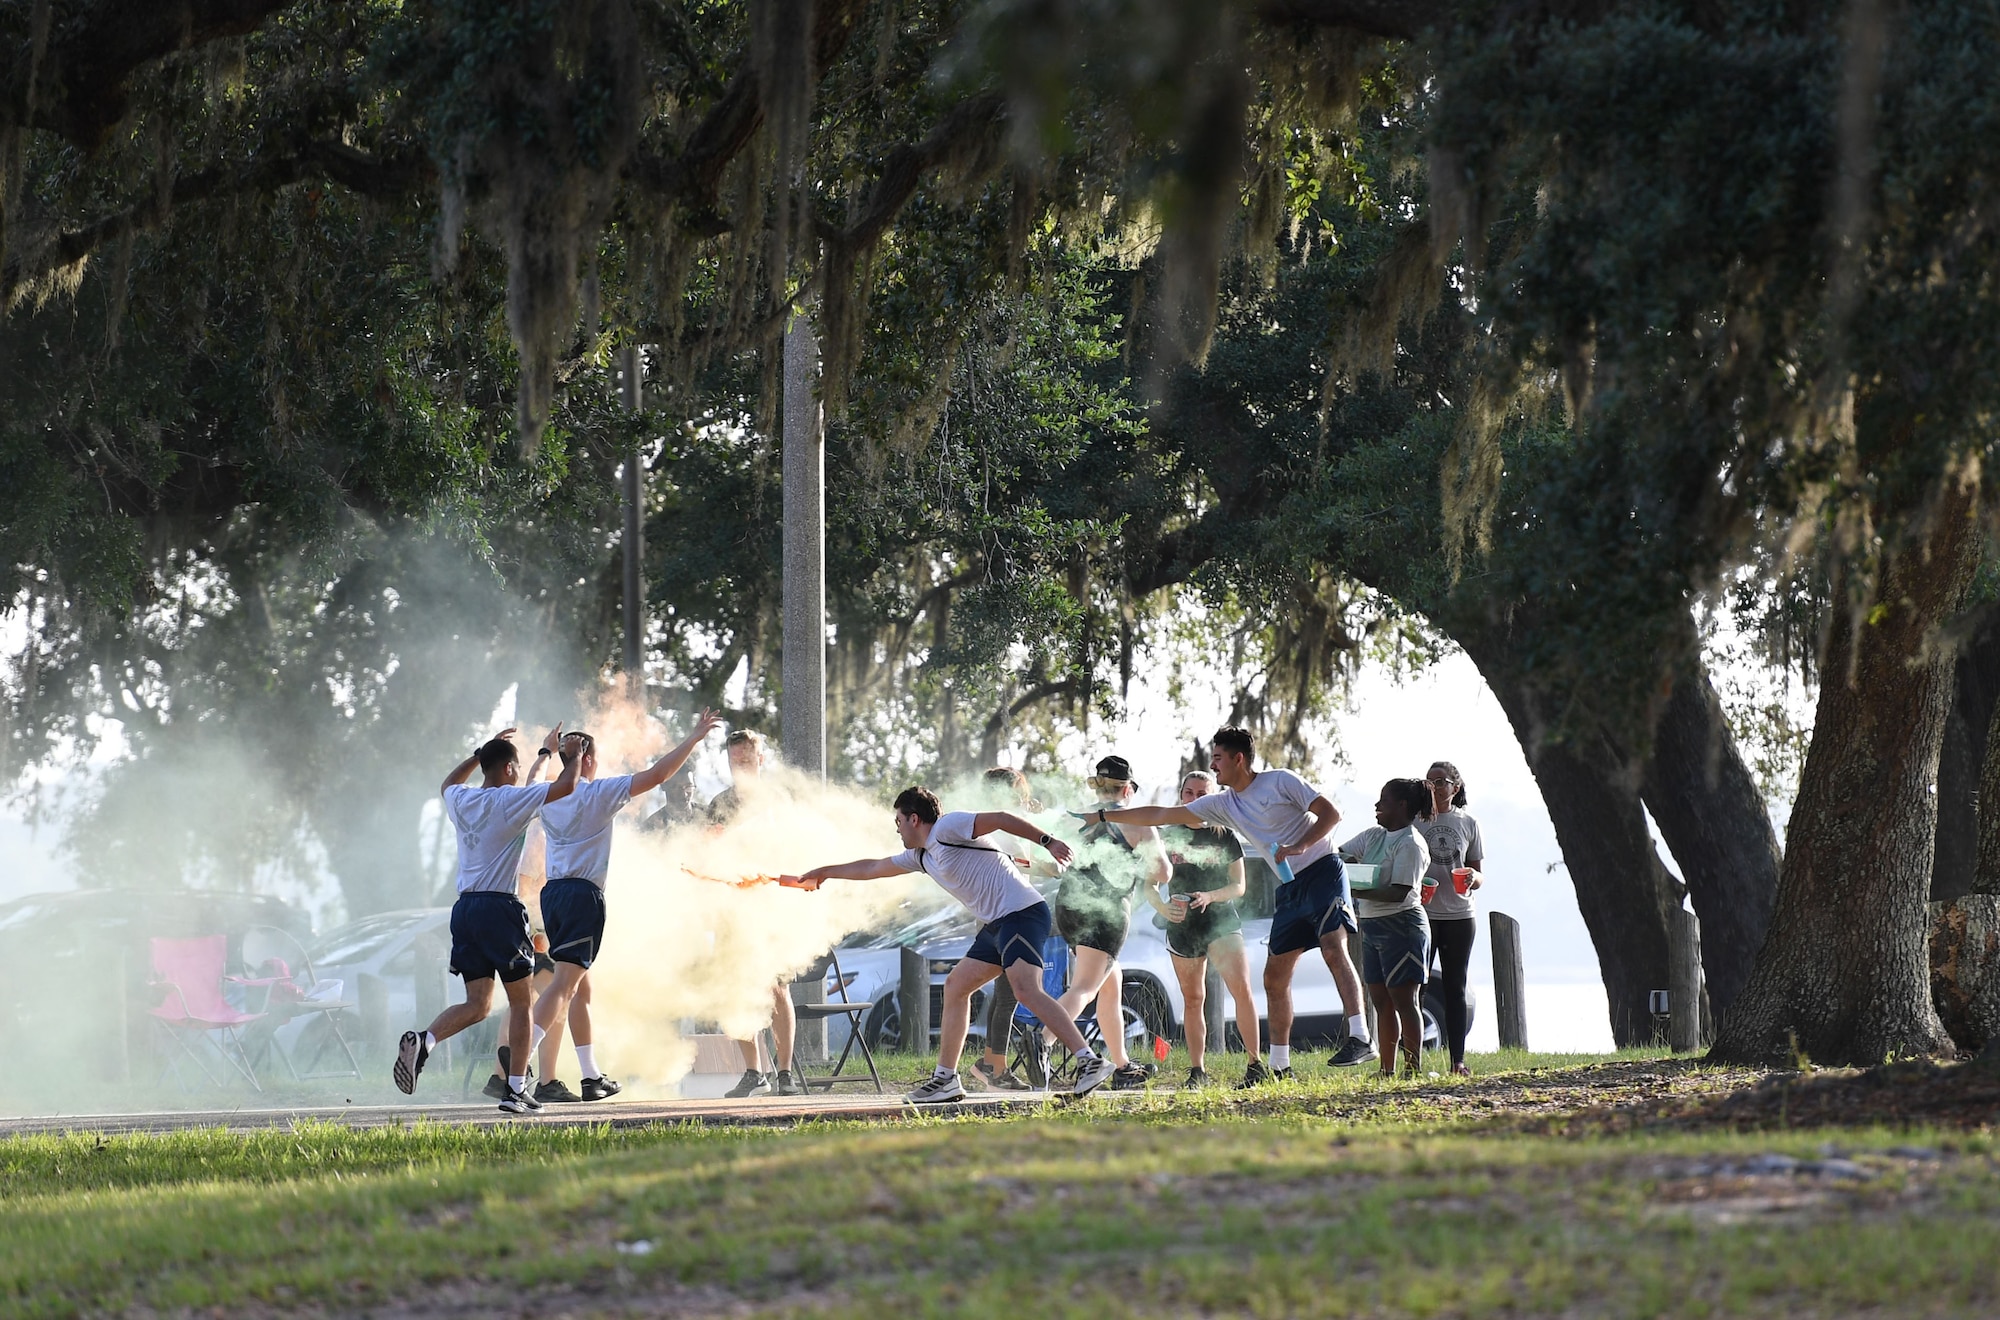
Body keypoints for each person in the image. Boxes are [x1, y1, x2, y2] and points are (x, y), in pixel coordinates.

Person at [1090, 725, 1373, 1079]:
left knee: (1334, 949)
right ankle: (1278, 1066)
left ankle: (1360, 1036)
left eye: (1218, 758)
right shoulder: (1224, 804)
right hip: (1289, 887)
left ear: (1239, 759)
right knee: (1274, 978)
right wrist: (1104, 815)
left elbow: (1331, 814)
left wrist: (1300, 845)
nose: (1213, 766)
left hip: (1321, 869)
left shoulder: (1280, 781)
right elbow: (1159, 815)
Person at [801, 786, 1117, 1101]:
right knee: (956, 986)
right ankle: (946, 1079)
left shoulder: (948, 827)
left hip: (1022, 913)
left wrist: (1048, 841)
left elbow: (1002, 818)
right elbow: (872, 868)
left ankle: (1089, 1061)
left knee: (1025, 989)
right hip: (997, 923)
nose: (896, 828)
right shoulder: (922, 856)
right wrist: (825, 872)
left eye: (898, 821)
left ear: (914, 819)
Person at [523, 710, 723, 1103]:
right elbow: (659, 775)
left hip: (554, 895)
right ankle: (519, 1064)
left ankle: (590, 1076)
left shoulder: (544, 792)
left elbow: (529, 781)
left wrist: (546, 753)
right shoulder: (598, 792)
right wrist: (694, 738)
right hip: (582, 896)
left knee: (581, 988)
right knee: (564, 986)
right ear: (589, 759)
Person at [394, 724, 581, 1114]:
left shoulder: (462, 800)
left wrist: (479, 754)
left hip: (464, 910)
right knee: (521, 1003)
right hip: (499, 908)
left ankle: (424, 1040)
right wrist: (573, 755)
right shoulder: (509, 801)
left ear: (483, 766)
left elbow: (447, 782)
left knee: (478, 1004)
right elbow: (565, 787)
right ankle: (515, 1089)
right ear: (511, 769)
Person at [1052, 755, 1168, 1090]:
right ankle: (1041, 1042)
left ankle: (1122, 1067)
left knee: (1109, 985)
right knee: (1086, 986)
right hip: (1105, 913)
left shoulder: (1078, 818)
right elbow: (1161, 871)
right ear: (1128, 789)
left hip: (1069, 907)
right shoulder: (1137, 822)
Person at [708, 728, 801, 1098]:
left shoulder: (778, 799)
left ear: (761, 759)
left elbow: (794, 846)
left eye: (746, 759)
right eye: (734, 760)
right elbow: (707, 854)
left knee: (777, 988)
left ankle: (785, 1073)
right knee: (737, 988)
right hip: (732, 908)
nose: (740, 766)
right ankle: (752, 1071)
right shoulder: (719, 802)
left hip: (771, 906)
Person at [1155, 770, 1263, 1087]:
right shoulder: (1167, 836)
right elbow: (1148, 885)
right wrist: (1163, 908)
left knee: (1241, 990)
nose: (1195, 799)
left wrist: (1210, 896)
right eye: (1189, 793)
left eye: (1203, 793)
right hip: (1182, 925)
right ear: (1181, 795)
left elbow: (1239, 886)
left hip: (1221, 921)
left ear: (1215, 796)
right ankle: (1197, 1071)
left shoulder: (1224, 835)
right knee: (1193, 999)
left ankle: (1255, 1064)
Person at [1340, 778, 1434, 1078]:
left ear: (1402, 806)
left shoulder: (1411, 844)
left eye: (1384, 800)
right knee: (1380, 999)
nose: (1377, 806)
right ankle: (1386, 1069)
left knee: (1404, 999)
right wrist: (1347, 868)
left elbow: (1398, 892)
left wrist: (1354, 891)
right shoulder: (1373, 836)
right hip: (1372, 923)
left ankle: (1412, 1068)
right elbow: (1340, 857)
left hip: (1402, 924)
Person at [971, 766, 1054, 1091]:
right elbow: (1015, 862)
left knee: (1005, 996)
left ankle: (992, 1065)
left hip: (1000, 913)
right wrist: (1051, 866)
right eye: (1019, 790)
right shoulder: (1001, 826)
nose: (1024, 796)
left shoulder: (997, 822)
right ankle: (994, 1068)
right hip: (1008, 915)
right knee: (1008, 996)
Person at [1415, 760, 1485, 1076]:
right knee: (1417, 986)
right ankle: (1410, 1060)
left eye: (1440, 781)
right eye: (1428, 781)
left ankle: (1457, 1061)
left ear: (1455, 788)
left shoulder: (1468, 823)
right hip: (1423, 915)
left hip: (1459, 915)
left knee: (1455, 988)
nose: (1433, 787)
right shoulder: (1415, 821)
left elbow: (1479, 874)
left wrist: (1472, 877)